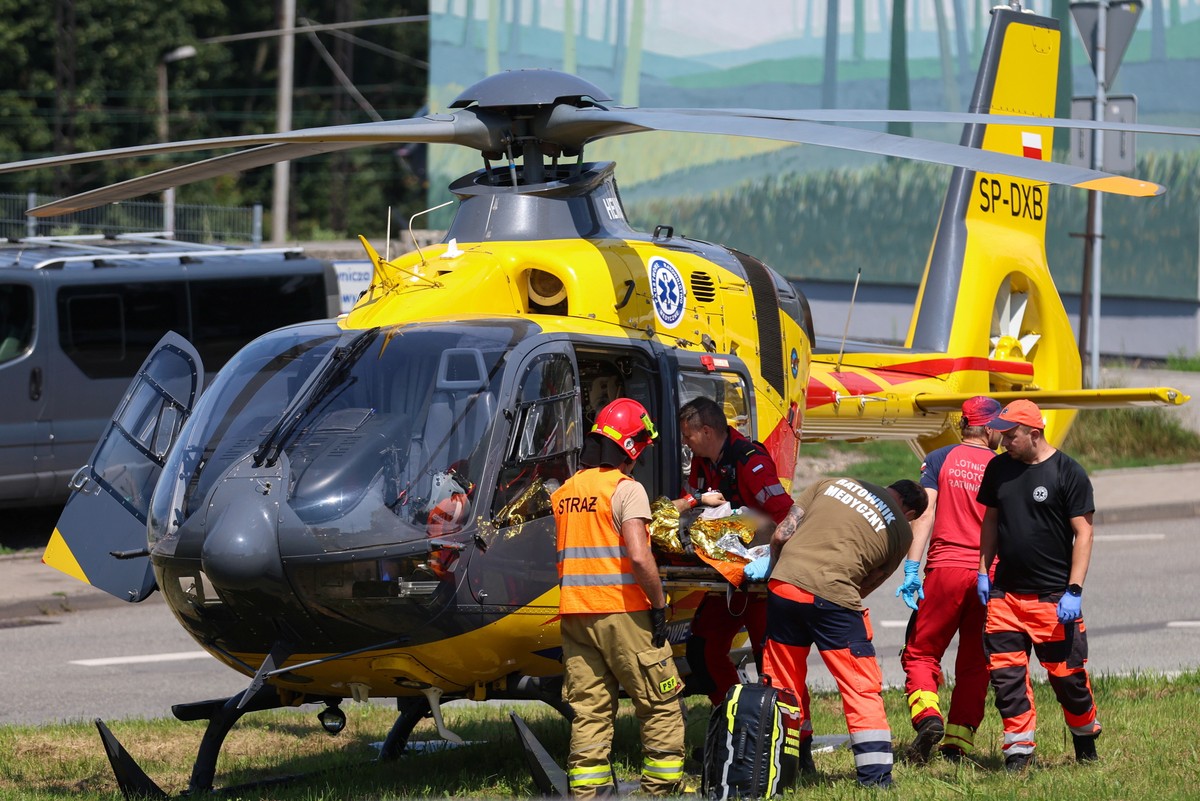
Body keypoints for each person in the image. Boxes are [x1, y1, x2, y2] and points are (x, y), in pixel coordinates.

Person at [748, 476, 927, 788]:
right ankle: (875, 777)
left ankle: (788, 763)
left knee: (783, 680)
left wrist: (777, 573)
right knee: (859, 685)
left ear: (890, 488)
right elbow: (869, 582)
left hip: (784, 586)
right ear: (910, 513)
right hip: (834, 597)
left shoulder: (830, 483)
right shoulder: (902, 531)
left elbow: (780, 535)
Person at [552, 398, 686, 797]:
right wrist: (659, 605)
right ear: (631, 446)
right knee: (659, 700)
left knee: (589, 709)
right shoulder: (626, 490)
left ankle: (589, 792)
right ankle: (660, 789)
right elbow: (640, 556)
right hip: (623, 611)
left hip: (575, 614)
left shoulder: (566, 491)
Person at [976, 399, 1102, 771]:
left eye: (1011, 435)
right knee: (1007, 680)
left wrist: (1074, 590)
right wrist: (983, 571)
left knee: (1068, 680)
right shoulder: (999, 468)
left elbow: (1084, 533)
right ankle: (1018, 753)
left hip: (1053, 598)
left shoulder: (1068, 472)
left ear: (1034, 433)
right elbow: (990, 521)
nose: (1003, 442)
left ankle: (1084, 740)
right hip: (1005, 596)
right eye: (1001, 434)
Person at [672, 396, 803, 708]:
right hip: (728, 577)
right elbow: (690, 504)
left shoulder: (749, 462)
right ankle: (731, 717)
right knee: (702, 650)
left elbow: (788, 515)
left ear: (705, 431)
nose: (685, 443)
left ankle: (792, 729)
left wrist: (772, 561)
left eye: (687, 436)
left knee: (770, 659)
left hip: (760, 582)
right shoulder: (704, 463)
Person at [895, 396, 1002, 763]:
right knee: (976, 661)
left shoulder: (941, 458)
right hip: (988, 575)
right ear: (989, 428)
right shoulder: (1003, 466)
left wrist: (912, 567)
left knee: (921, 652)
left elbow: (924, 514)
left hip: (944, 570)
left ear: (963, 425)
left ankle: (928, 716)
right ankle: (957, 744)